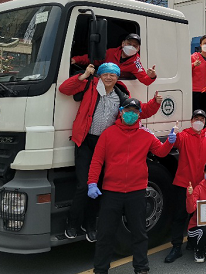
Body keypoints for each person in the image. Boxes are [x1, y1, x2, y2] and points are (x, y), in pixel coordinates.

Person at [59, 62, 161, 242]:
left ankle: (90, 224)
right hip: (85, 142)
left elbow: (139, 111)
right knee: (83, 186)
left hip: (105, 144)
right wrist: (83, 76)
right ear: (99, 75)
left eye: (112, 75)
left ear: (117, 77)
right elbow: (64, 89)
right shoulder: (90, 86)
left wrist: (155, 103)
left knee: (98, 186)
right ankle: (72, 223)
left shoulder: (120, 95)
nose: (108, 77)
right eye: (105, 74)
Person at [87, 97, 176, 274]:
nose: (131, 114)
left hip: (137, 191)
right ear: (121, 112)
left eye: (135, 112)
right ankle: (100, 270)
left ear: (139, 115)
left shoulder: (146, 134)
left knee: (139, 233)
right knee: (105, 233)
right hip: (112, 191)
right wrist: (92, 183)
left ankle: (141, 268)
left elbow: (160, 152)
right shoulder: (108, 134)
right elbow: (97, 160)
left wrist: (170, 142)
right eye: (128, 111)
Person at [165, 110, 206, 263]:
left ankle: (194, 242)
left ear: (204, 122)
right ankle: (176, 247)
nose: (199, 121)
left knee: (199, 216)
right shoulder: (183, 136)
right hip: (183, 183)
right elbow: (173, 143)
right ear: (191, 120)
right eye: (196, 118)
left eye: (201, 119)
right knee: (180, 215)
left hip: (201, 185)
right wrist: (172, 135)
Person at [71, 33, 157, 86]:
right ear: (123, 43)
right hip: (101, 83)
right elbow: (94, 58)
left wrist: (152, 76)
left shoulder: (136, 63)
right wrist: (76, 59)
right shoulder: (111, 52)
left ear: (138, 49)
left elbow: (145, 80)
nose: (131, 47)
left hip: (117, 87)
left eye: (135, 46)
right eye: (129, 43)